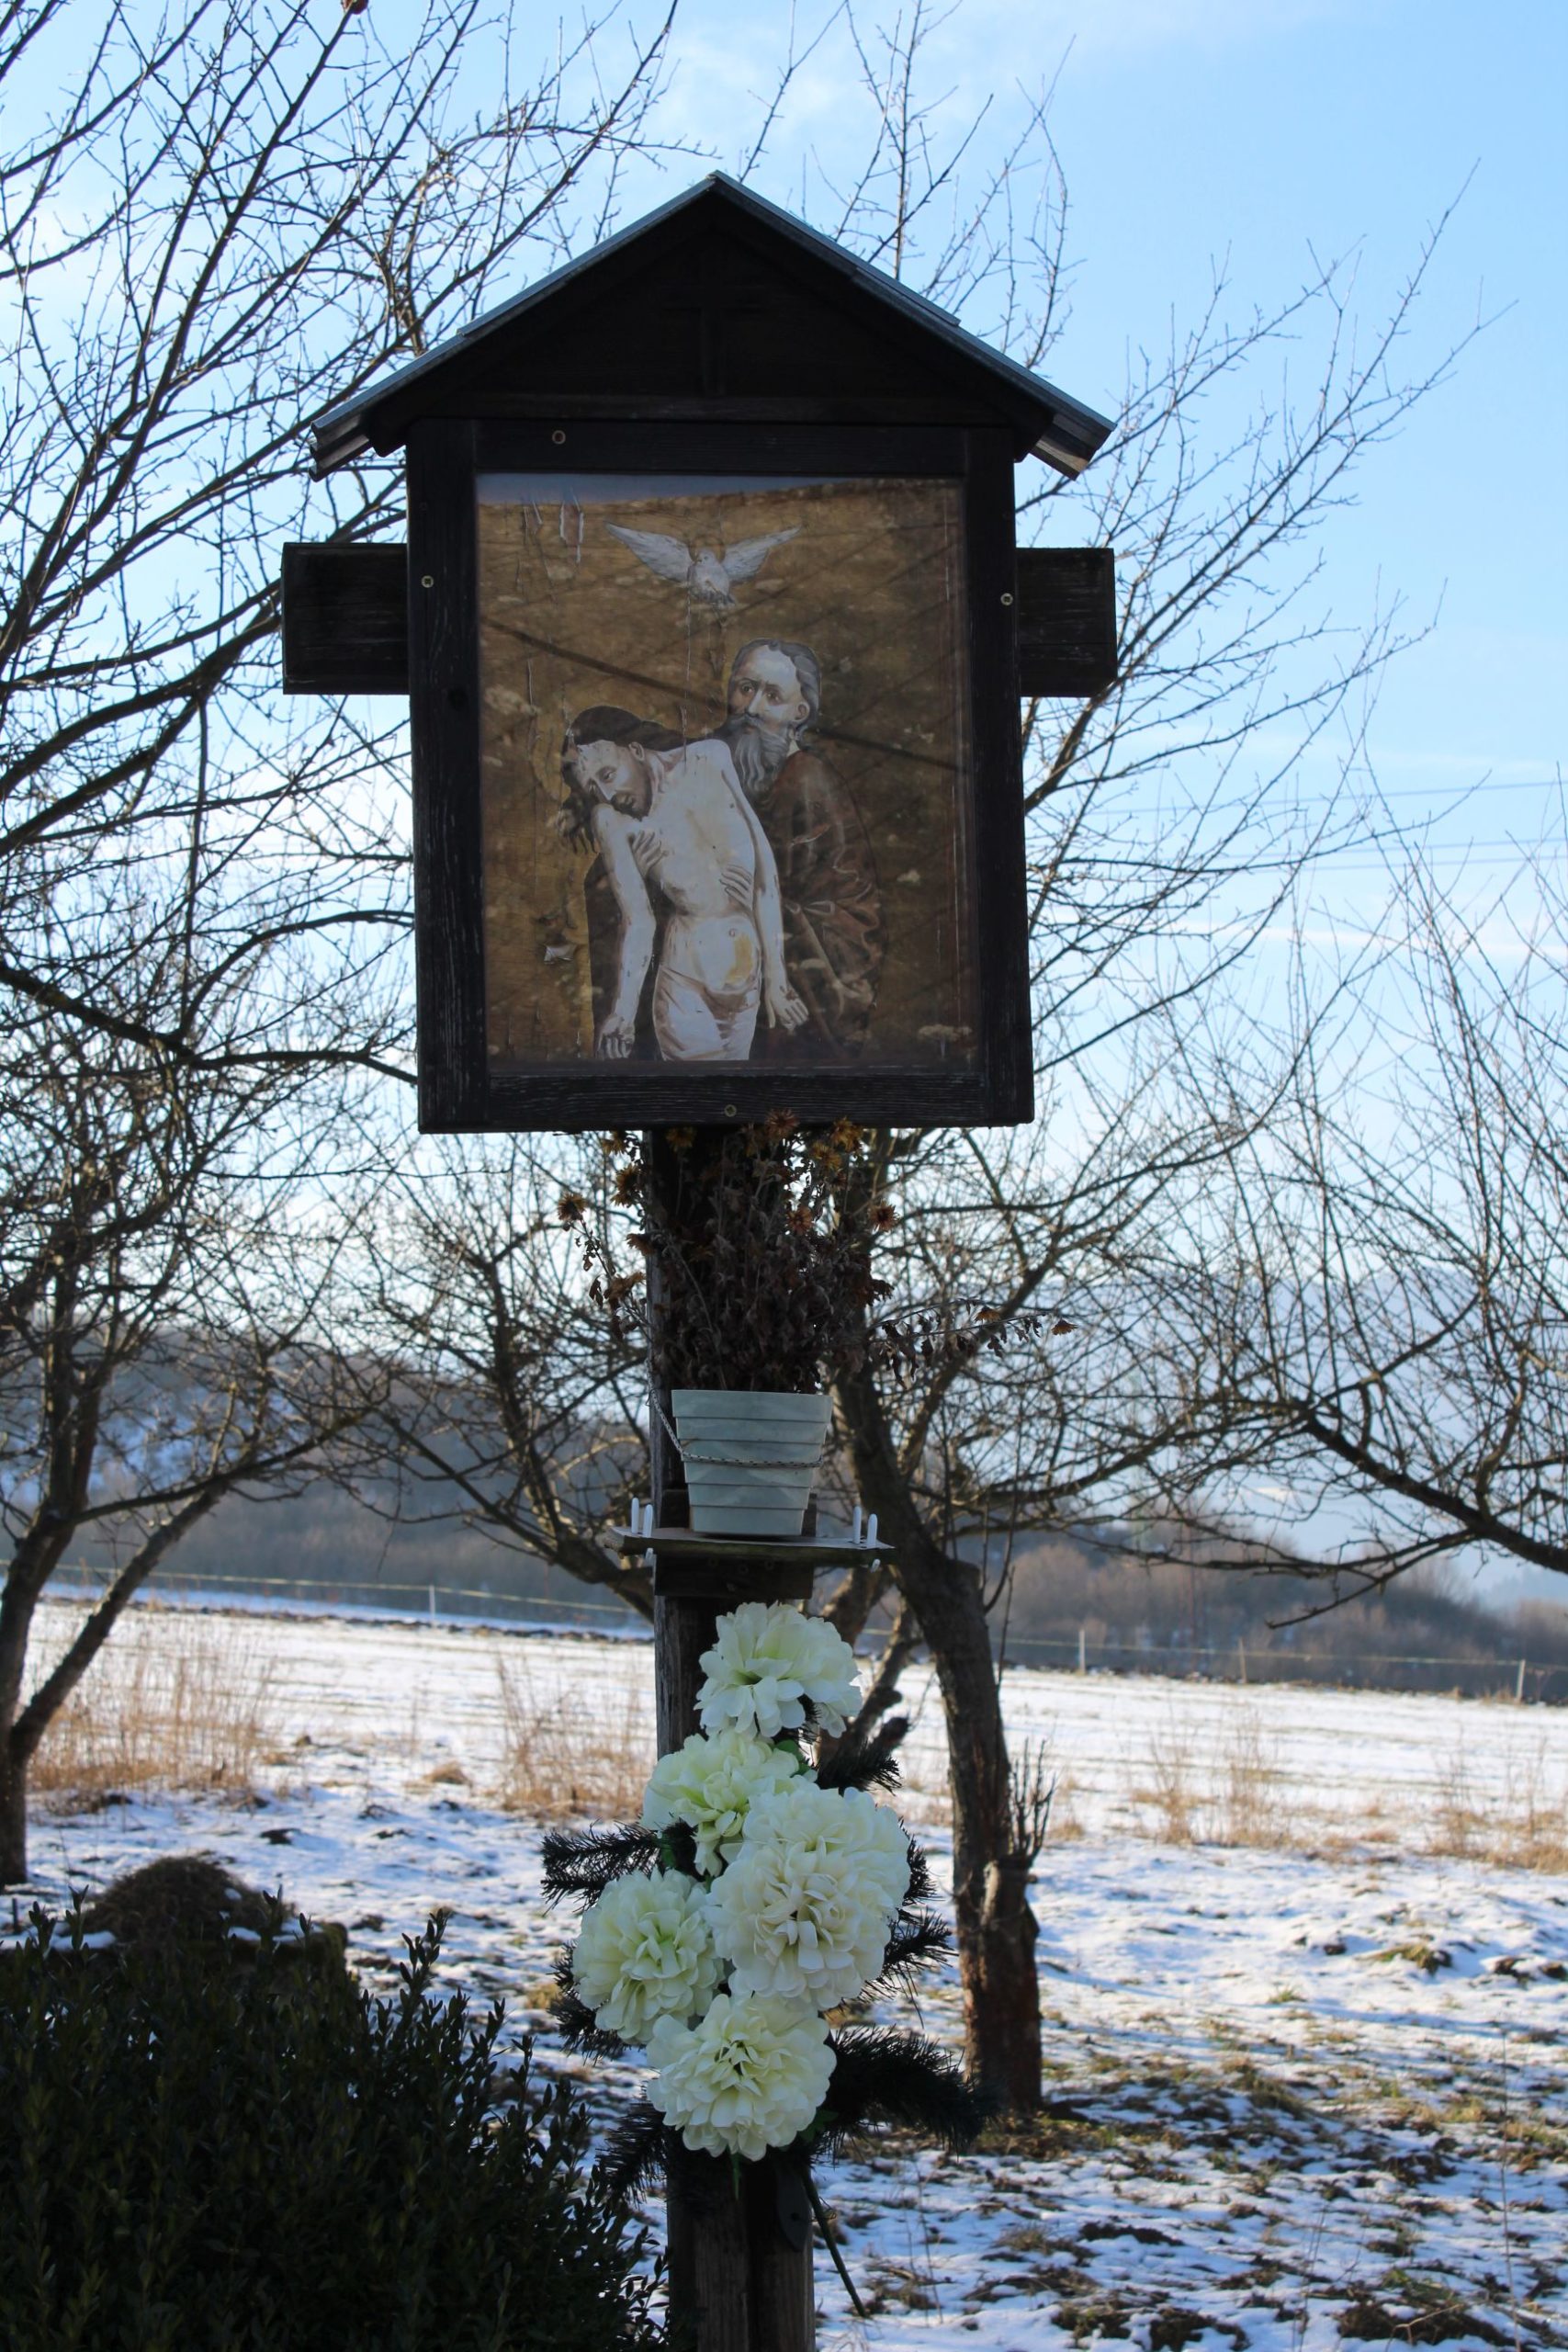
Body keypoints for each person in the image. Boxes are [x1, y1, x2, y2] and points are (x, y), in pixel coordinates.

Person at [560, 707, 807, 1063]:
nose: (608, 794)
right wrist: (622, 1016)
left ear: (636, 750)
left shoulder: (710, 758)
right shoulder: (611, 821)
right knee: (700, 1090)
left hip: (747, 989)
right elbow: (638, 921)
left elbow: (764, 870)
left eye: (608, 774)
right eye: (594, 788)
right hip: (685, 989)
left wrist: (777, 981)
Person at [717, 639, 886, 1055]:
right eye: (745, 688)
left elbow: (842, 912)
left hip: (808, 967)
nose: (752, 708)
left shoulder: (807, 780)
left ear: (799, 713)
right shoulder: (728, 768)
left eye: (772, 696)